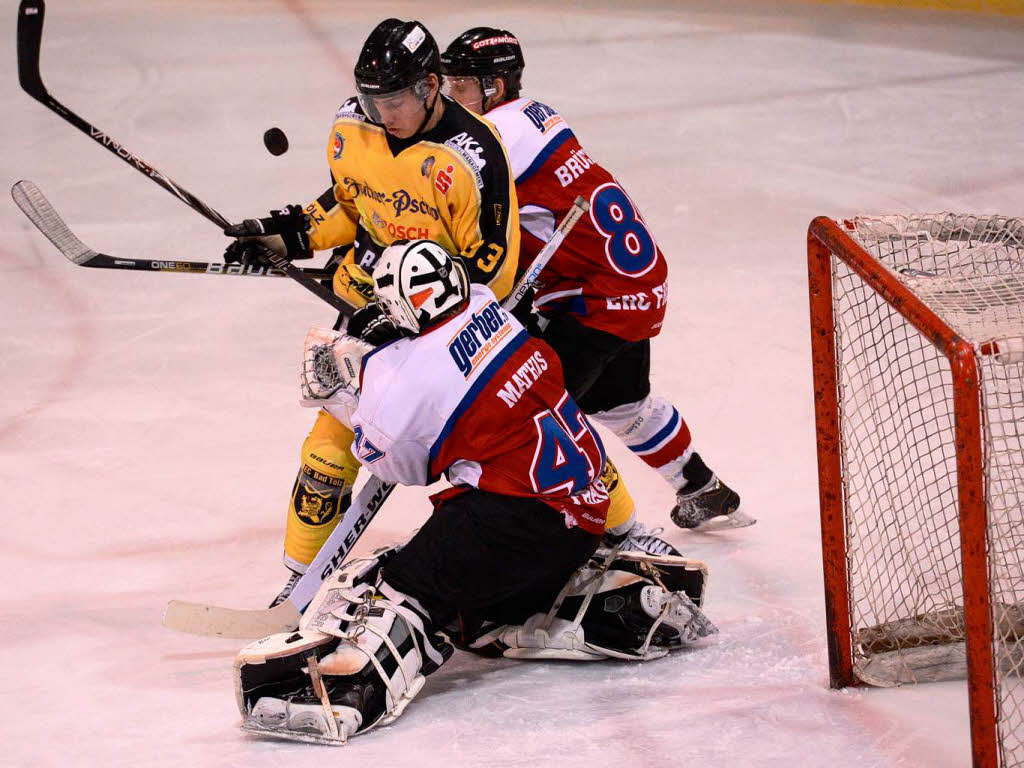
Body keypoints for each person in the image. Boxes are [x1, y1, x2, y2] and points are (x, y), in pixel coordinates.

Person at [232, 240, 718, 744]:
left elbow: (400, 467)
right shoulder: (488, 304)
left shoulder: (409, 384)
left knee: (393, 586)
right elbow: (446, 356)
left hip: (516, 522)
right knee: (472, 608)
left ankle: (344, 692)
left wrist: (348, 396)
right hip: (581, 517)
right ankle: (574, 603)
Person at [221, 19, 522, 604]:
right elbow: (344, 206)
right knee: (330, 445)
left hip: (447, 326)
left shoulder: (471, 153)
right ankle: (297, 582)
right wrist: (286, 235)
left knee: (519, 434)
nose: (381, 111)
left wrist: (417, 312)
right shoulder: (350, 127)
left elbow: (493, 268)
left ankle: (616, 528)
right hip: (365, 311)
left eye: (395, 97)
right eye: (371, 97)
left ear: (432, 86)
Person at [440, 28, 754, 535]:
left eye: (461, 86)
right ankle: (701, 486)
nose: (452, 98)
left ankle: (607, 531)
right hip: (635, 281)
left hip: (598, 293)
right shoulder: (533, 113)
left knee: (530, 412)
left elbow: (456, 205)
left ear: (494, 86)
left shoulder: (497, 133)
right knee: (620, 401)